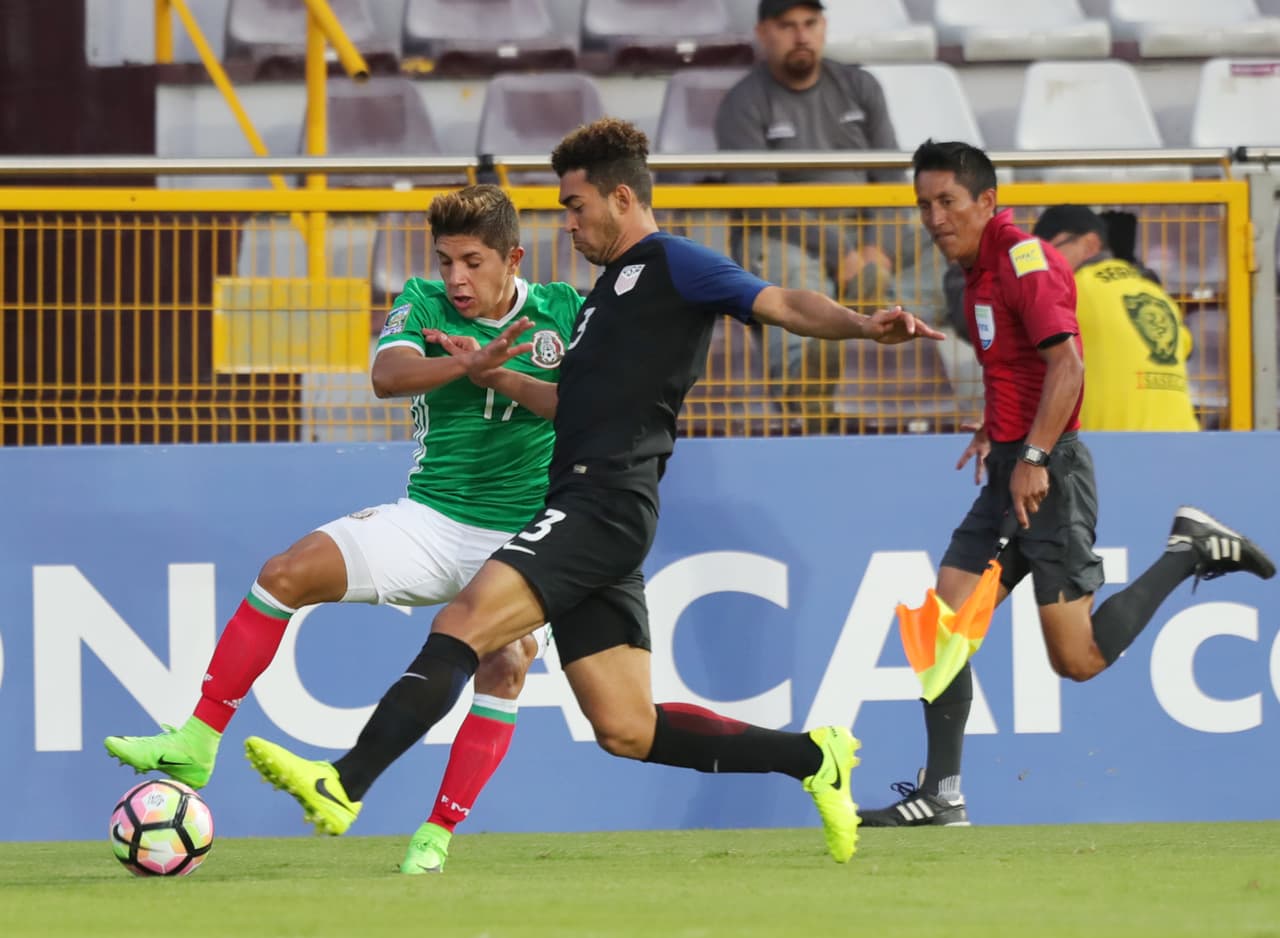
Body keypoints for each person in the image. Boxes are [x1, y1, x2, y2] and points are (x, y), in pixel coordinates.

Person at [239, 117, 945, 865]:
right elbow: (567, 403)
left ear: (619, 197)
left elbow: (780, 302)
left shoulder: (675, 264)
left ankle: (343, 783)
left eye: (574, 207)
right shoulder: (606, 294)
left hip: (601, 502)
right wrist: (491, 371)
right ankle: (814, 757)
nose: (566, 224)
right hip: (591, 508)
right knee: (626, 729)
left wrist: (865, 326)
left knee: (465, 621)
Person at [105, 184, 582, 873]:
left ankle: (435, 837)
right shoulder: (421, 300)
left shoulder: (564, 312)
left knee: (505, 667)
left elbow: (582, 407)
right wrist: (463, 363)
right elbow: (387, 377)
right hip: (428, 522)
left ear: (513, 258)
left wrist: (497, 374)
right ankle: (197, 739)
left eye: (472, 262)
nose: (456, 278)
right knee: (284, 573)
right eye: (446, 260)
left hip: (518, 540)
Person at [859, 141, 1275, 828]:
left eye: (947, 201)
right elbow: (1018, 368)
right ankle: (943, 793)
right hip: (1010, 469)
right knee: (943, 622)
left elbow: (1069, 368)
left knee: (1076, 659)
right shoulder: (976, 271)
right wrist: (997, 429)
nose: (934, 217)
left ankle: (1189, 551)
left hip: (1047, 474)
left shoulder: (1028, 261)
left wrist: (1034, 453)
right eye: (924, 204)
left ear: (987, 201)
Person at [714, 0, 923, 424]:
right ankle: (801, 386)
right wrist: (841, 253)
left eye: (810, 24)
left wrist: (877, 249)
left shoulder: (860, 85)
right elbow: (760, 199)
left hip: (866, 233)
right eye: (787, 26)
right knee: (786, 272)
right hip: (783, 232)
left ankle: (998, 362)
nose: (801, 35)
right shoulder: (743, 101)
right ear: (764, 33)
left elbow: (890, 180)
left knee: (945, 246)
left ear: (824, 27)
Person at [1032, 204, 1199, 432]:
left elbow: (993, 329)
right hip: (1184, 444)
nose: (1042, 266)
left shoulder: (1071, 291)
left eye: (1048, 253)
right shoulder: (1156, 293)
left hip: (1111, 449)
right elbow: (1187, 347)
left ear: (1090, 243)